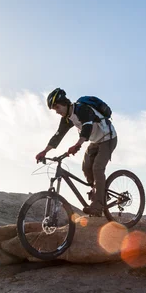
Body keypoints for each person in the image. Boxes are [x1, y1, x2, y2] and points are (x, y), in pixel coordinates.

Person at [35, 88, 117, 216]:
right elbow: (58, 136)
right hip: (95, 142)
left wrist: (77, 145)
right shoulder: (67, 119)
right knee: (86, 167)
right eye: (54, 109)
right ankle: (98, 193)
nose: (56, 111)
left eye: (57, 107)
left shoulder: (82, 109)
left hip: (108, 139)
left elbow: (87, 128)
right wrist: (44, 151)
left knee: (97, 168)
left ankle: (98, 206)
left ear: (64, 103)